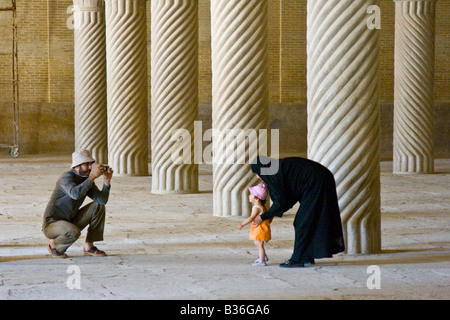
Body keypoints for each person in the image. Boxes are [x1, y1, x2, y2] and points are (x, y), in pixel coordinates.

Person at [251, 156, 345, 268]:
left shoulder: (275, 173)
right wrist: (271, 214)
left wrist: (264, 216)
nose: (257, 176)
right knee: (310, 220)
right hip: (319, 179)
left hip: (317, 181)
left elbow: (282, 200)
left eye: (257, 173)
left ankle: (298, 259)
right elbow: (288, 196)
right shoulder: (279, 169)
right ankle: (306, 256)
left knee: (302, 222)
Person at [42, 150, 113, 258]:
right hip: (52, 223)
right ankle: (54, 246)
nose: (90, 168)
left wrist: (106, 181)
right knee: (73, 232)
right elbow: (75, 194)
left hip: (70, 220)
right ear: (76, 166)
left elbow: (102, 200)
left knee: (98, 206)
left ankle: (89, 246)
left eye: (91, 165)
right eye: (87, 164)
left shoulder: (86, 180)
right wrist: (92, 177)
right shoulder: (66, 177)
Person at [237, 183, 272, 266]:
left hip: (260, 229)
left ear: (257, 199)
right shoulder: (260, 206)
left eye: (251, 195)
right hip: (258, 229)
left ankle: (262, 260)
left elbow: (251, 218)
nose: (249, 196)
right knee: (256, 243)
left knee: (260, 245)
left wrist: (242, 224)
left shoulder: (257, 208)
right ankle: (263, 256)